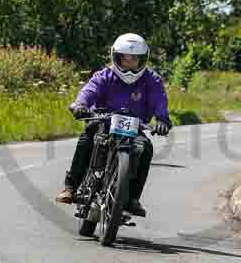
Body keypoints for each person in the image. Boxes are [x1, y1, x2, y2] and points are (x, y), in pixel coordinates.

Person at [55, 33, 172, 217]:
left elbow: (159, 102)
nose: (129, 63)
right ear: (116, 57)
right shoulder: (104, 75)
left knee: (146, 149)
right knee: (87, 138)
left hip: (135, 127)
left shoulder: (152, 80)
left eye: (134, 59)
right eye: (124, 59)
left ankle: (132, 198)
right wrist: (80, 105)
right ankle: (71, 187)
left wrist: (162, 120)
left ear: (143, 60)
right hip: (103, 121)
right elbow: (89, 90)